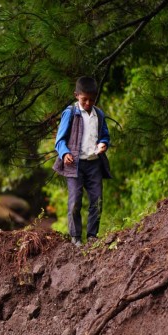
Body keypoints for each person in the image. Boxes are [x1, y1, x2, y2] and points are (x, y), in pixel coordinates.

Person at [53, 76, 112, 247]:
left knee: (97, 200)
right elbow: (60, 140)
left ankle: (92, 236)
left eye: (91, 99)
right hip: (75, 165)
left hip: (94, 163)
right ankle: (76, 237)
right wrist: (64, 153)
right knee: (75, 201)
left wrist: (104, 144)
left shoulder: (99, 115)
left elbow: (105, 136)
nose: (88, 103)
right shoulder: (70, 113)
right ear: (76, 95)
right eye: (84, 99)